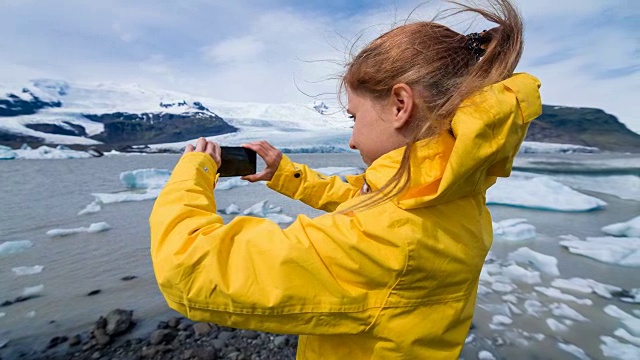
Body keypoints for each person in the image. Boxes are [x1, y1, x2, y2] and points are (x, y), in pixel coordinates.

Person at [149, 0, 542, 358]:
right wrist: (287, 175)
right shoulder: (452, 194)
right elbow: (370, 203)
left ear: (400, 105)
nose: (352, 139)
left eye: (354, 117)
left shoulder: (388, 243)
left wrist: (195, 170)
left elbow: (188, 269)